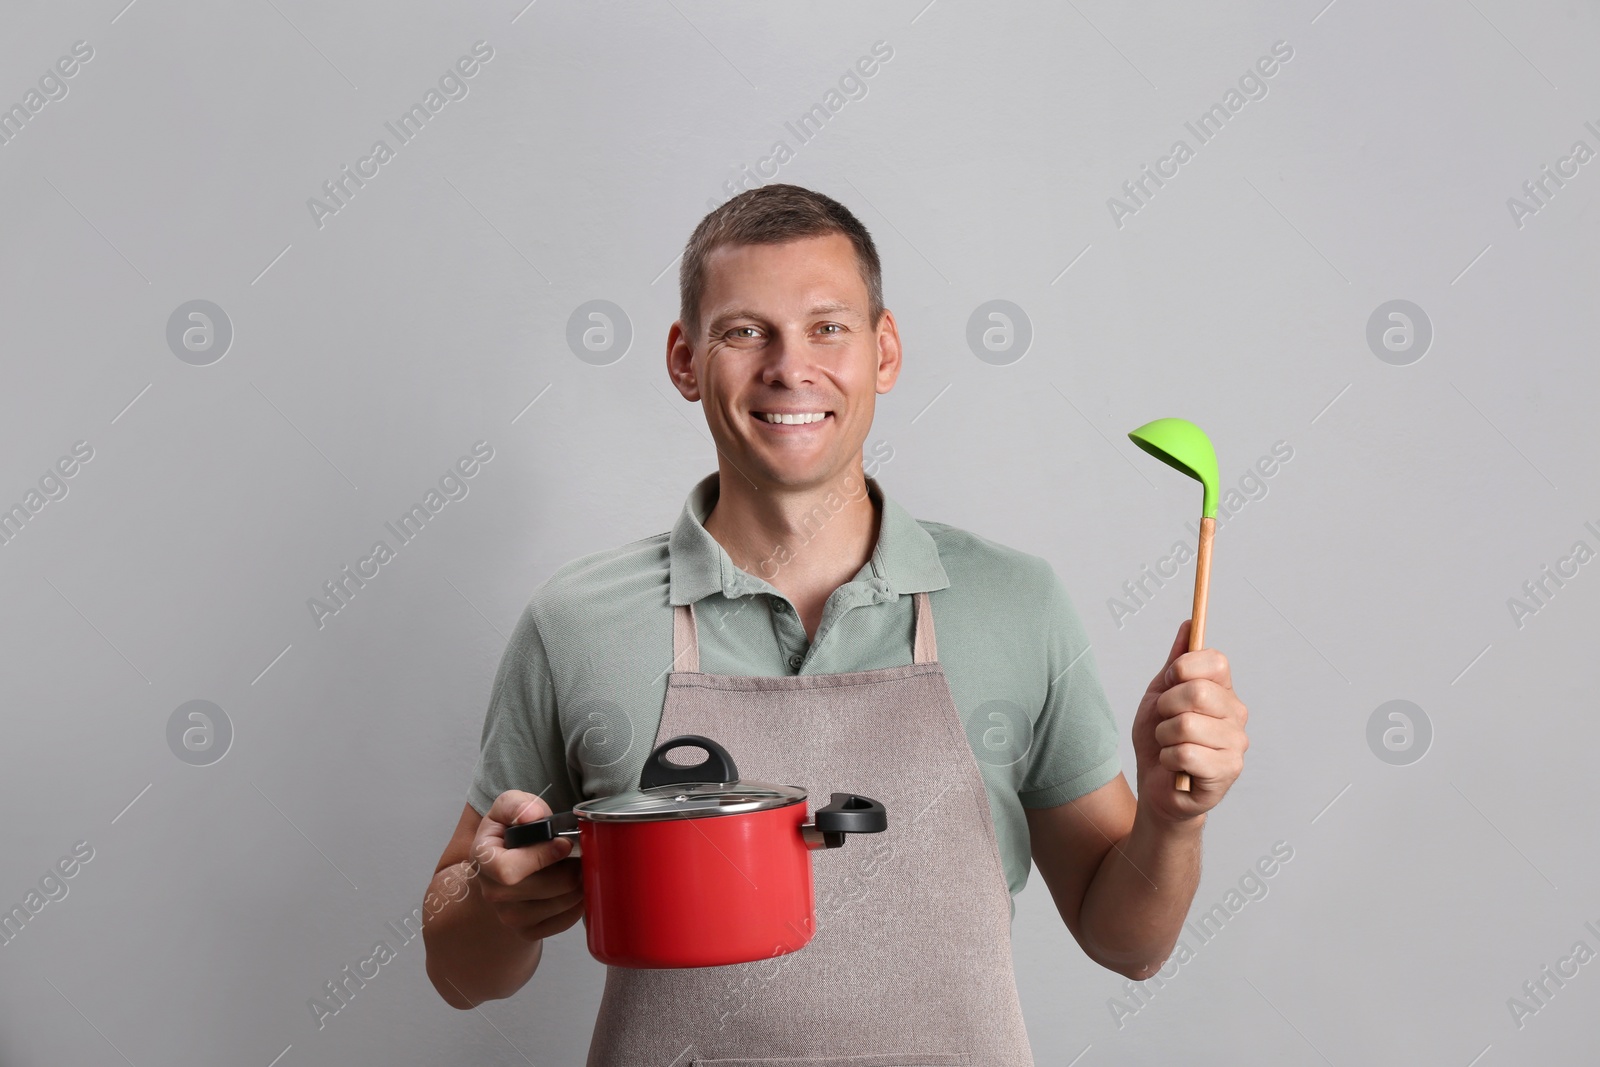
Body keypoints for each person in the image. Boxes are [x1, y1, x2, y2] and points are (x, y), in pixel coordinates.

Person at [421, 183, 1250, 1064]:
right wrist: (488, 900)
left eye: (828, 327)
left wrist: (1171, 820)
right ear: (684, 360)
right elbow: (459, 971)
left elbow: (1128, 943)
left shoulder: (1017, 604)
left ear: (883, 351)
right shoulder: (577, 622)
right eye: (745, 331)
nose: (790, 367)